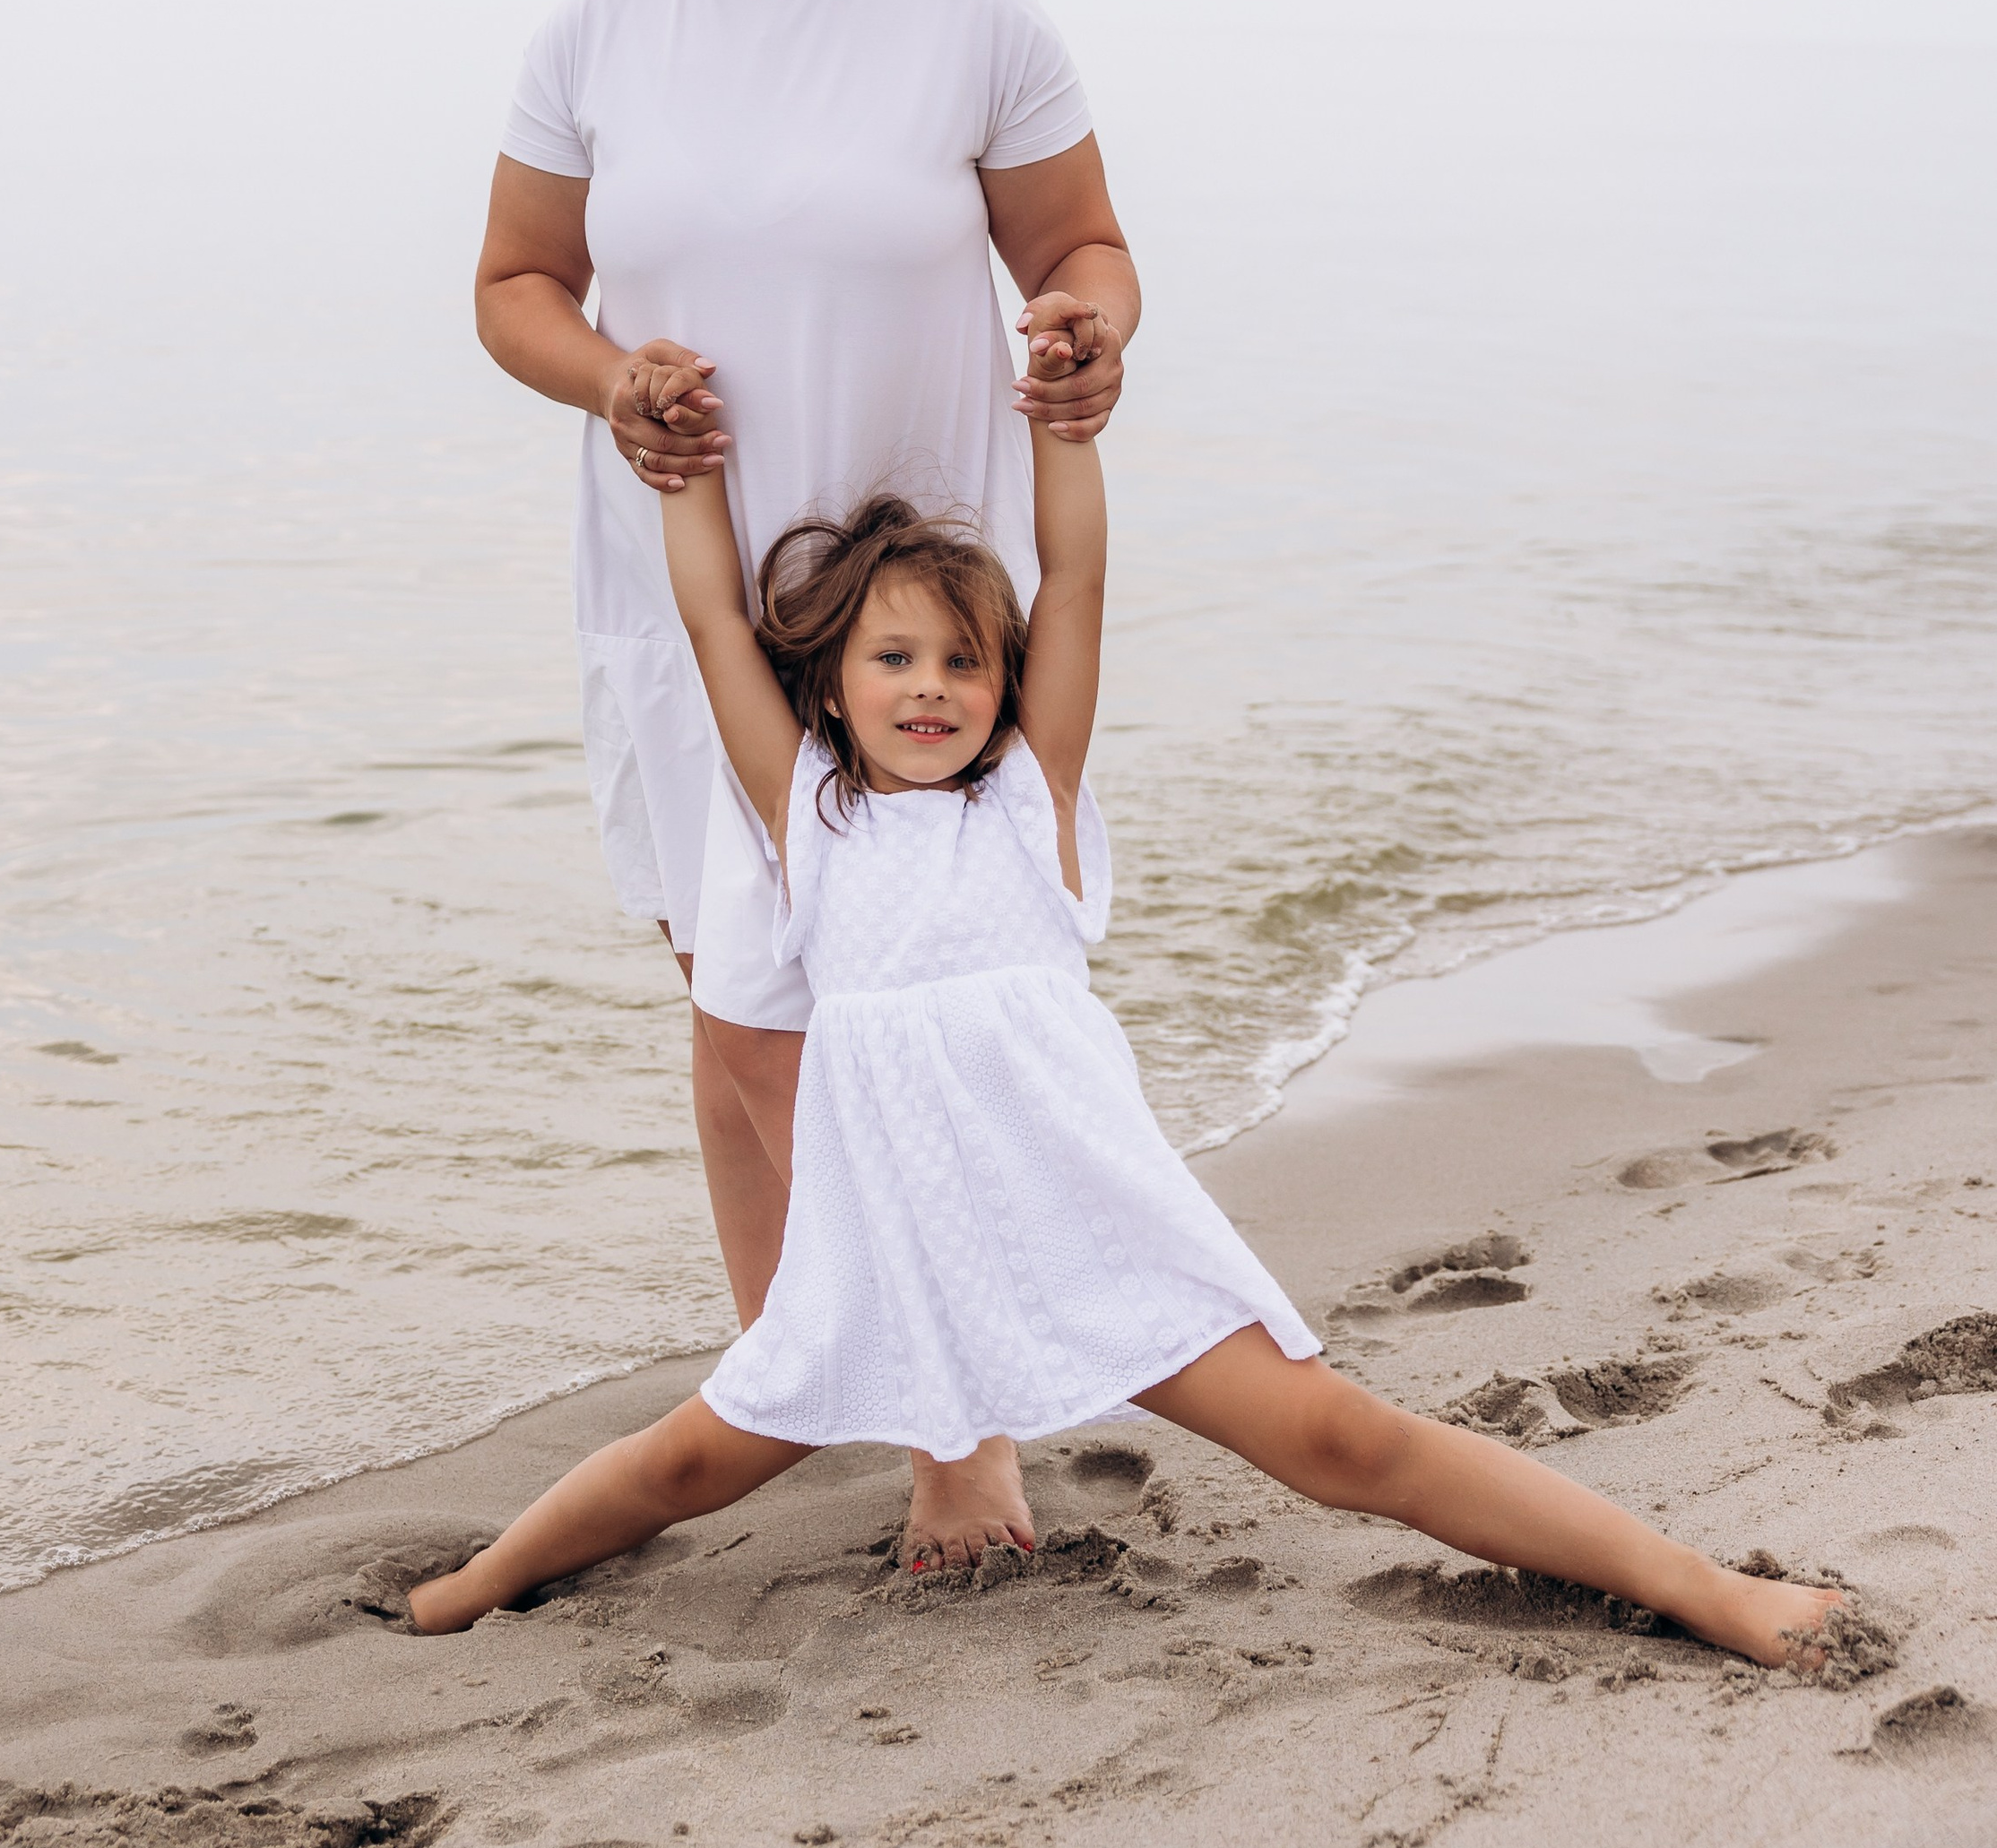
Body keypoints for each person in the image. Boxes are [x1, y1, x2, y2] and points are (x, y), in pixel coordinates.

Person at [407, 388, 1848, 1675]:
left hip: (1087, 1235)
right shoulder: (810, 825)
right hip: (889, 1261)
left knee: (1339, 1437)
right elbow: (715, 621)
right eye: (892, 656)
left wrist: (1062, 428)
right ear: (832, 685)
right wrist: (687, 476)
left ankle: (1705, 1589)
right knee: (686, 1466)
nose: (930, 685)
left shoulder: (1031, 804)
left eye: (964, 660)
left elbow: (1079, 574)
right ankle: (463, 1593)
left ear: (1005, 684)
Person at [474, 0, 1137, 1568]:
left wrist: (1087, 333)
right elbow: (516, 289)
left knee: (892, 1012)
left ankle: (955, 1429)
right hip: (685, 576)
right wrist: (613, 378)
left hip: (909, 607)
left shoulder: (972, 16)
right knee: (736, 1013)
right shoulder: (600, 30)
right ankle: (790, 1368)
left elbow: (1081, 249)